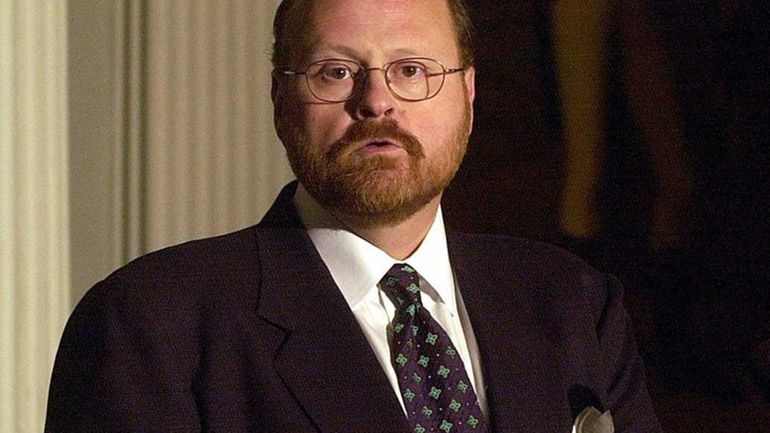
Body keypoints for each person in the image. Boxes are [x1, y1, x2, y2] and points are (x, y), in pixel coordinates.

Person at [45, 0, 662, 432]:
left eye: (412, 70)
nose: (377, 101)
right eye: (336, 72)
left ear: (468, 95)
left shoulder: (573, 302)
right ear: (281, 101)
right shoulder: (150, 325)